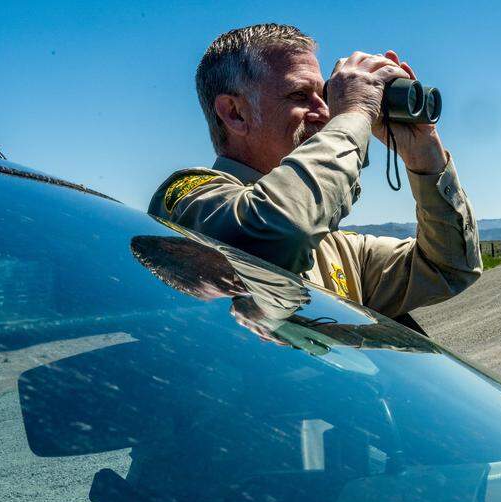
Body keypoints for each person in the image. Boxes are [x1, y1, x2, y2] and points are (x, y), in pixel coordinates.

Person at [149, 23, 481, 319]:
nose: (324, 112)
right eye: (300, 95)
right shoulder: (190, 199)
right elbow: (277, 233)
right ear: (235, 113)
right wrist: (354, 113)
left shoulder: (337, 250)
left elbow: (450, 267)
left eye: (324, 94)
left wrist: (424, 153)